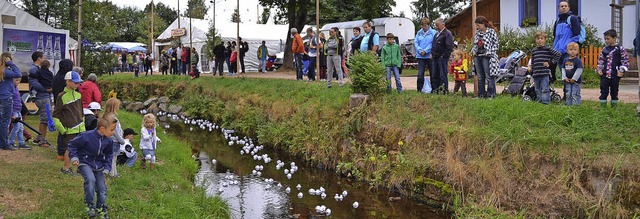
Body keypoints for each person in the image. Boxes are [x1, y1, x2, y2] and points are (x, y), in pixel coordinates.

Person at [69, 114, 117, 218]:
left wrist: (107, 167)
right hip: (84, 163)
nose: (113, 132)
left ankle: (101, 208)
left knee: (102, 189)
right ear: (102, 128)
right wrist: (74, 158)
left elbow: (109, 155)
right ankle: (89, 206)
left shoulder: (109, 140)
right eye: (112, 130)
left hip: (99, 167)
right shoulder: (86, 136)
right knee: (90, 180)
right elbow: (72, 145)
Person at [53, 71, 86, 175]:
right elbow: (56, 115)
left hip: (81, 128)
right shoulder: (61, 96)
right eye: (75, 82)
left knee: (81, 149)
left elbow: (81, 111)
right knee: (70, 150)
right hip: (69, 130)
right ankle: (66, 168)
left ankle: (79, 168)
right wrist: (62, 130)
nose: (77, 85)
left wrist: (83, 122)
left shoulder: (79, 95)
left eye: (78, 83)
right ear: (68, 82)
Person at [597, 29, 629, 108]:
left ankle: (614, 108)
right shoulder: (604, 50)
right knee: (603, 91)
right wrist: (599, 69)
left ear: (614, 38)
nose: (606, 41)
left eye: (608, 39)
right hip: (605, 75)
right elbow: (600, 60)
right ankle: (603, 108)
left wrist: (622, 70)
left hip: (615, 75)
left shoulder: (620, 49)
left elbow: (625, 60)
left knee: (614, 91)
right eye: (605, 39)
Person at [551, 0, 581, 83]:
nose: (563, 7)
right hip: (558, 52)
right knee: (563, 74)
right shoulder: (557, 21)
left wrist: (569, 47)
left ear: (569, 8)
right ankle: (566, 94)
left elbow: (576, 35)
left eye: (565, 6)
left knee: (570, 73)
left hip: (568, 52)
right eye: (561, 6)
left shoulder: (572, 18)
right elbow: (555, 36)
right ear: (558, 9)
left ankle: (573, 93)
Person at [530, 32, 562, 104]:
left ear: (545, 40)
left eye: (542, 38)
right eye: (538, 39)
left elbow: (558, 55)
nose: (540, 40)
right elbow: (533, 61)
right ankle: (539, 102)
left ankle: (546, 103)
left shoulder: (547, 49)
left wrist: (550, 63)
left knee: (545, 89)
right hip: (536, 74)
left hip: (544, 74)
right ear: (535, 40)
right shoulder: (534, 50)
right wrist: (532, 70)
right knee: (537, 89)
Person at [470, 16, 497, 98]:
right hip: (478, 57)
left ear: (483, 24)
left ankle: (490, 95)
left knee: (489, 77)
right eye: (476, 25)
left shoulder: (491, 32)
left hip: (487, 57)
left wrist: (489, 52)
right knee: (480, 77)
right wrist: (473, 51)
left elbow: (496, 45)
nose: (477, 27)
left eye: (478, 25)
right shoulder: (477, 33)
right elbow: (475, 45)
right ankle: (481, 95)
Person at [29, 57, 54, 148]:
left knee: (43, 118)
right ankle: (42, 141)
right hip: (43, 98)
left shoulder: (38, 72)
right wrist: (46, 89)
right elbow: (34, 83)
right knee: (45, 119)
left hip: (40, 97)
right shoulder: (47, 73)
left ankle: (38, 138)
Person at [0, 53, 21, 150]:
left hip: (2, 97)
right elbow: (18, 74)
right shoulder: (5, 71)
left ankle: (2, 142)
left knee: (2, 121)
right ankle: (4, 144)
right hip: (6, 98)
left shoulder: (2, 70)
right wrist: (11, 64)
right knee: (5, 122)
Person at [431, 18, 455, 94]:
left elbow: (449, 47)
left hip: (442, 58)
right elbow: (434, 45)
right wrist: (432, 53)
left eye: (437, 25)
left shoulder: (447, 33)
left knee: (442, 74)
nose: (436, 27)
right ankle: (435, 90)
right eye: (435, 25)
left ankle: (444, 90)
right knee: (435, 74)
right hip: (435, 57)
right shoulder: (436, 34)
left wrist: (444, 56)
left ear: (443, 24)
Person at [103, 98, 124, 177]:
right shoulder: (113, 118)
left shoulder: (106, 117)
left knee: (112, 157)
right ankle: (111, 173)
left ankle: (114, 172)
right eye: (118, 106)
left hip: (109, 140)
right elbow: (115, 131)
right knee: (112, 158)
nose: (118, 108)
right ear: (114, 107)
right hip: (114, 141)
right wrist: (121, 140)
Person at [414, 18, 437, 92]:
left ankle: (434, 89)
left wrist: (426, 50)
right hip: (420, 56)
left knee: (433, 73)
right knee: (420, 74)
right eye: (423, 26)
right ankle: (419, 89)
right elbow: (416, 43)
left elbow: (433, 43)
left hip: (430, 56)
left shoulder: (433, 32)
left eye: (425, 26)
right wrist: (420, 50)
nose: (424, 27)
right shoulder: (419, 33)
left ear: (429, 25)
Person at [8, 77, 30, 150]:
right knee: (16, 127)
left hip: (18, 110)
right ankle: (10, 142)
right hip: (14, 111)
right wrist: (12, 115)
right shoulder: (10, 89)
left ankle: (22, 143)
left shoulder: (16, 88)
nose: (18, 82)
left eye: (19, 80)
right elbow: (9, 102)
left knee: (21, 127)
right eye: (16, 80)